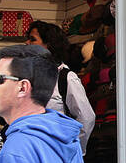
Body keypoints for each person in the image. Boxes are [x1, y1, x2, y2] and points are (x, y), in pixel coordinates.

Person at [28, 20, 95, 149]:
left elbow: (86, 118)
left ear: (49, 45)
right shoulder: (28, 77)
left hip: (56, 154)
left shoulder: (66, 78)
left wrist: (70, 150)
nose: (27, 44)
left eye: (33, 40)